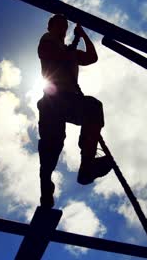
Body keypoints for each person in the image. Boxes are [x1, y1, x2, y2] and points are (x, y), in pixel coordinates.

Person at [37, 14, 113, 208]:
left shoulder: (70, 51)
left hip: (69, 100)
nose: (62, 28)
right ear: (51, 27)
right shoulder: (47, 40)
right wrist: (72, 47)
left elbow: (92, 57)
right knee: (52, 146)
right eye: (59, 25)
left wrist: (83, 35)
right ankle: (46, 186)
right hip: (52, 100)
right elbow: (51, 53)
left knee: (93, 108)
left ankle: (87, 164)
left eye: (65, 25)